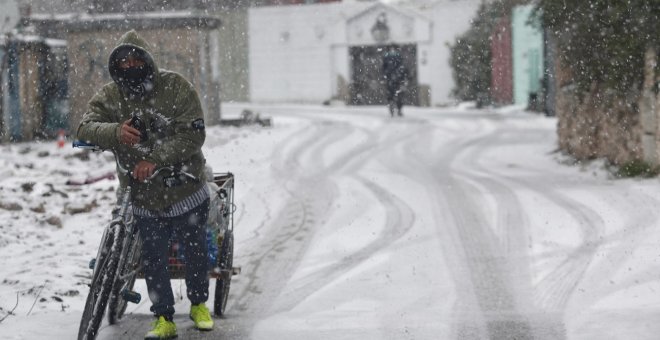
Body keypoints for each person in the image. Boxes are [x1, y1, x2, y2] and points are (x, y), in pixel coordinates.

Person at [77, 30, 213, 339]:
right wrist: (114, 132)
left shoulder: (176, 87)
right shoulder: (111, 96)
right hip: (141, 194)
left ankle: (198, 304)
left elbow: (193, 133)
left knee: (194, 251)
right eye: (123, 61)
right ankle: (163, 317)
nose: (130, 65)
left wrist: (157, 158)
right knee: (154, 258)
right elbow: (84, 128)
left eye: (136, 59)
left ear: (148, 60)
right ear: (116, 66)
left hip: (185, 188)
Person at [382, 45, 409, 117]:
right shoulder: (398, 57)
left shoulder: (387, 56)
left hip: (392, 79)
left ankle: (393, 108)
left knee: (392, 95)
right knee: (398, 95)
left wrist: (385, 77)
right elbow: (403, 68)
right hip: (396, 79)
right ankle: (397, 109)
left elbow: (384, 68)